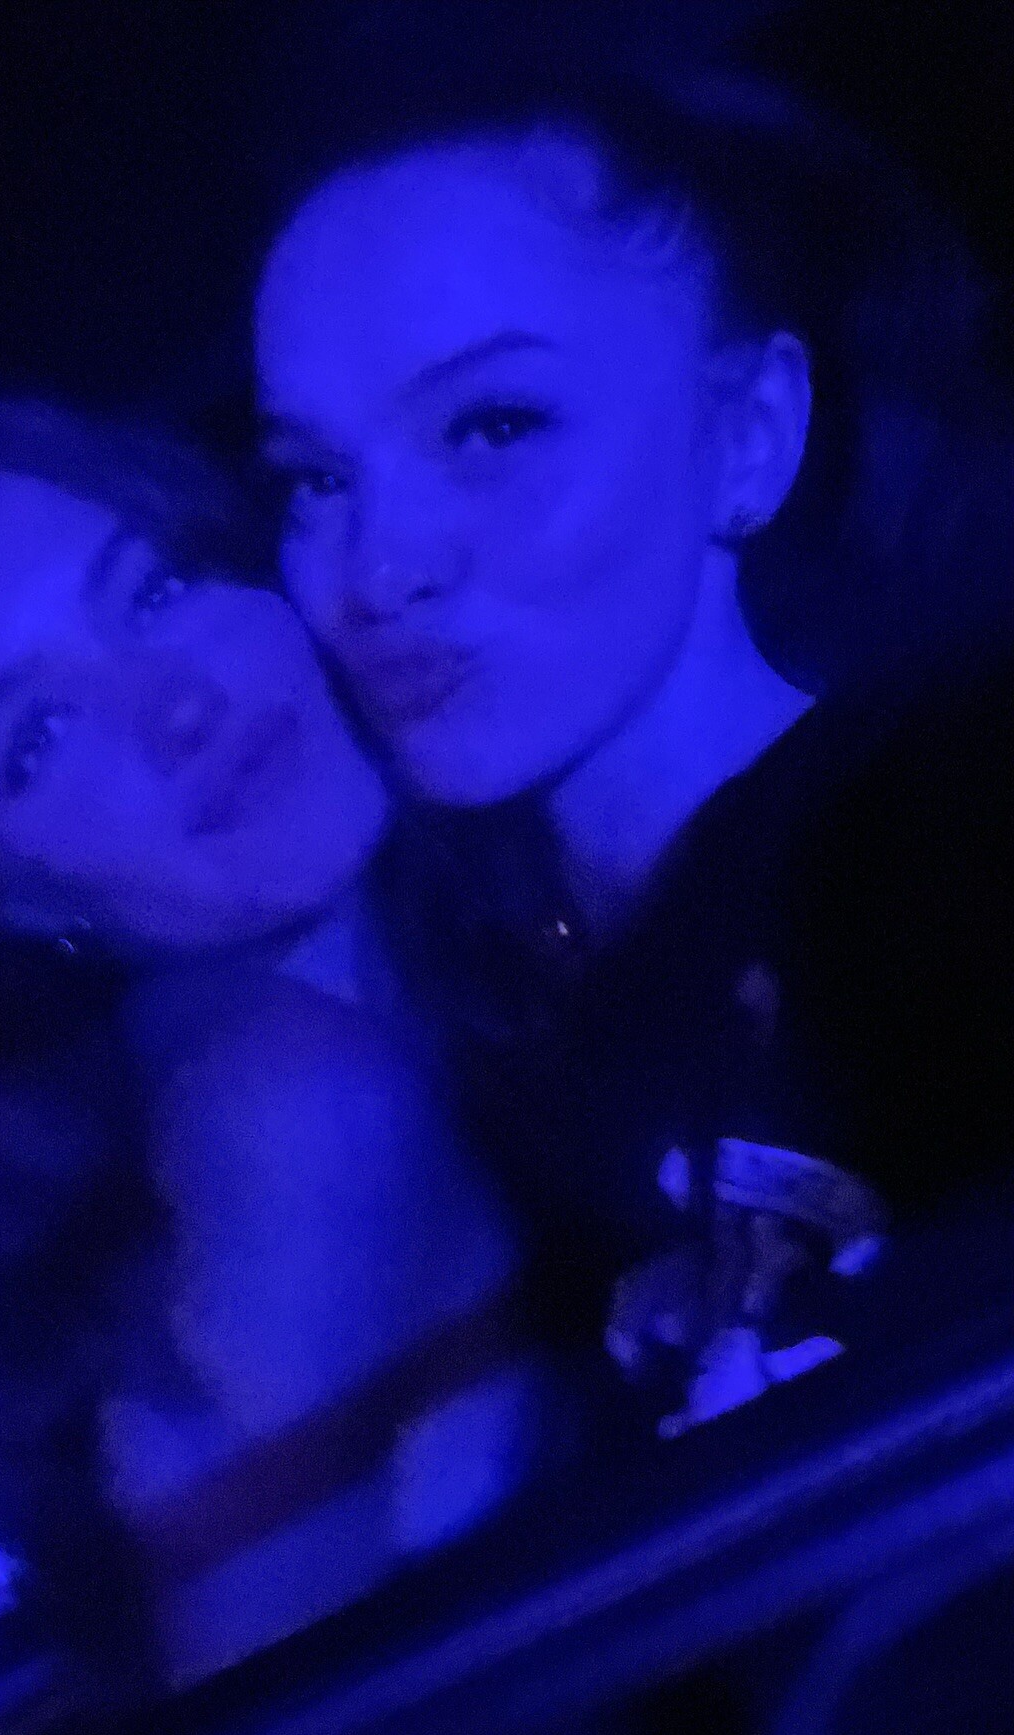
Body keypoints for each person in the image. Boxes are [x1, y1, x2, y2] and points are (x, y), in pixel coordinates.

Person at [252, 56, 1014, 1427]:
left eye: (494, 425)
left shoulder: (944, 825)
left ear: (749, 435)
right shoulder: (485, 1033)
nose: (377, 568)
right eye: (316, 478)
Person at [0, 397, 541, 1714]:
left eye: (158, 590)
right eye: (36, 739)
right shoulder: (292, 1116)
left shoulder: (496, 980)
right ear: (4, 904)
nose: (173, 703)